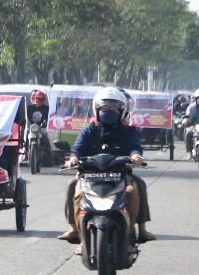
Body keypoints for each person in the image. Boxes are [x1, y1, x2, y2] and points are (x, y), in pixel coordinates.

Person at [58, 87, 153, 244]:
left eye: (113, 108)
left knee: (138, 187)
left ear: (122, 111)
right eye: (104, 108)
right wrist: (73, 159)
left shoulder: (128, 132)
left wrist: (136, 156)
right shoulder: (89, 130)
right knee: (72, 186)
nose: (108, 111)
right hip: (90, 175)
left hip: (121, 175)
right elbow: (78, 148)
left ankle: (139, 230)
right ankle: (75, 229)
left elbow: (134, 147)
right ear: (97, 110)